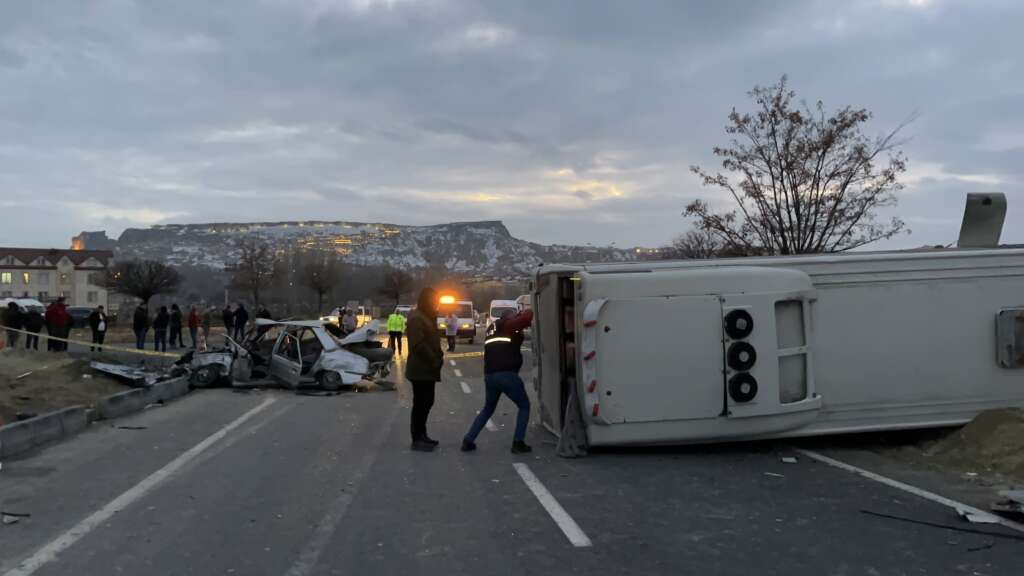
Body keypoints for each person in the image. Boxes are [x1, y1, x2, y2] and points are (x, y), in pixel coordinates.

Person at [462, 309, 535, 454]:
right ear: (509, 317)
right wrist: (524, 314)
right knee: (524, 406)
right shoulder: (508, 324)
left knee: (488, 408)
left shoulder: (492, 328)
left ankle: (468, 440)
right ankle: (518, 442)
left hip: (490, 375)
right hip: (506, 374)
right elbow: (526, 317)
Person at [405, 288, 443, 452]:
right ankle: (417, 438)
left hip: (427, 369)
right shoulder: (416, 318)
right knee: (421, 403)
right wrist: (434, 360)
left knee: (427, 402)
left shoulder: (427, 316)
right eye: (434, 300)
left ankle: (423, 435)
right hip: (420, 369)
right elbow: (418, 344)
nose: (436, 303)